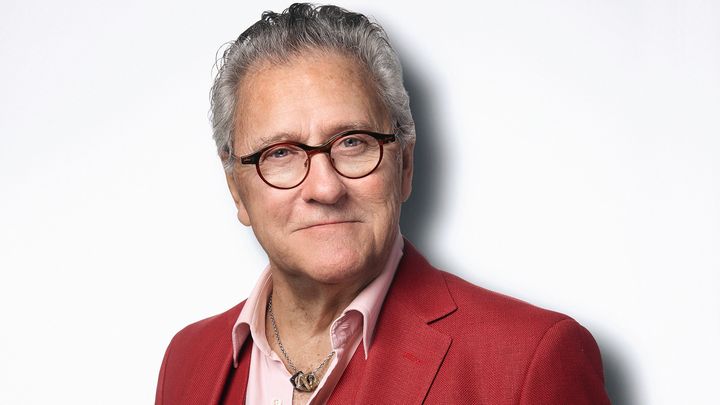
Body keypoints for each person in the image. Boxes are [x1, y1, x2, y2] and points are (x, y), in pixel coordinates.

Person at [155, 3, 612, 404]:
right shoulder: (187, 359)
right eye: (280, 153)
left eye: (353, 142)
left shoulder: (530, 361)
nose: (325, 189)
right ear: (236, 189)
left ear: (405, 164)